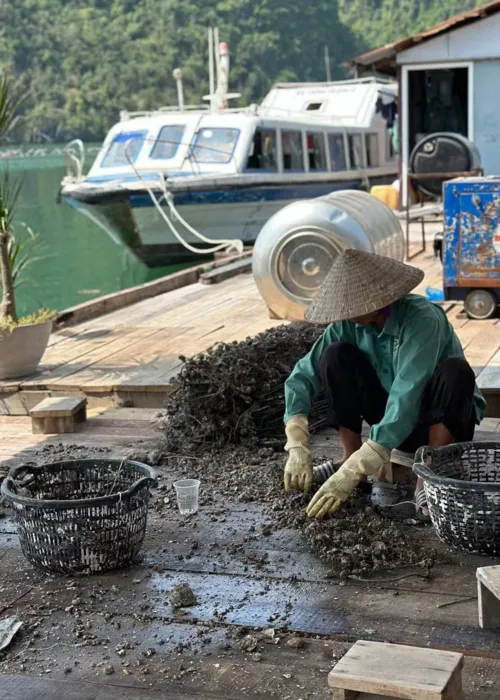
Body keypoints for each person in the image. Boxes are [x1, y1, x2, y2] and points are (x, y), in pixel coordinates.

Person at [283, 249, 486, 519]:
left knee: (456, 371)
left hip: (440, 420)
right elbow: (303, 375)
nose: (346, 314)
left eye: (353, 307)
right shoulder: (347, 325)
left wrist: (360, 466)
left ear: (378, 302)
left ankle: (429, 476)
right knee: (334, 355)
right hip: (395, 425)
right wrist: (296, 440)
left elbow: (408, 394)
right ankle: (349, 455)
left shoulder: (421, 318)